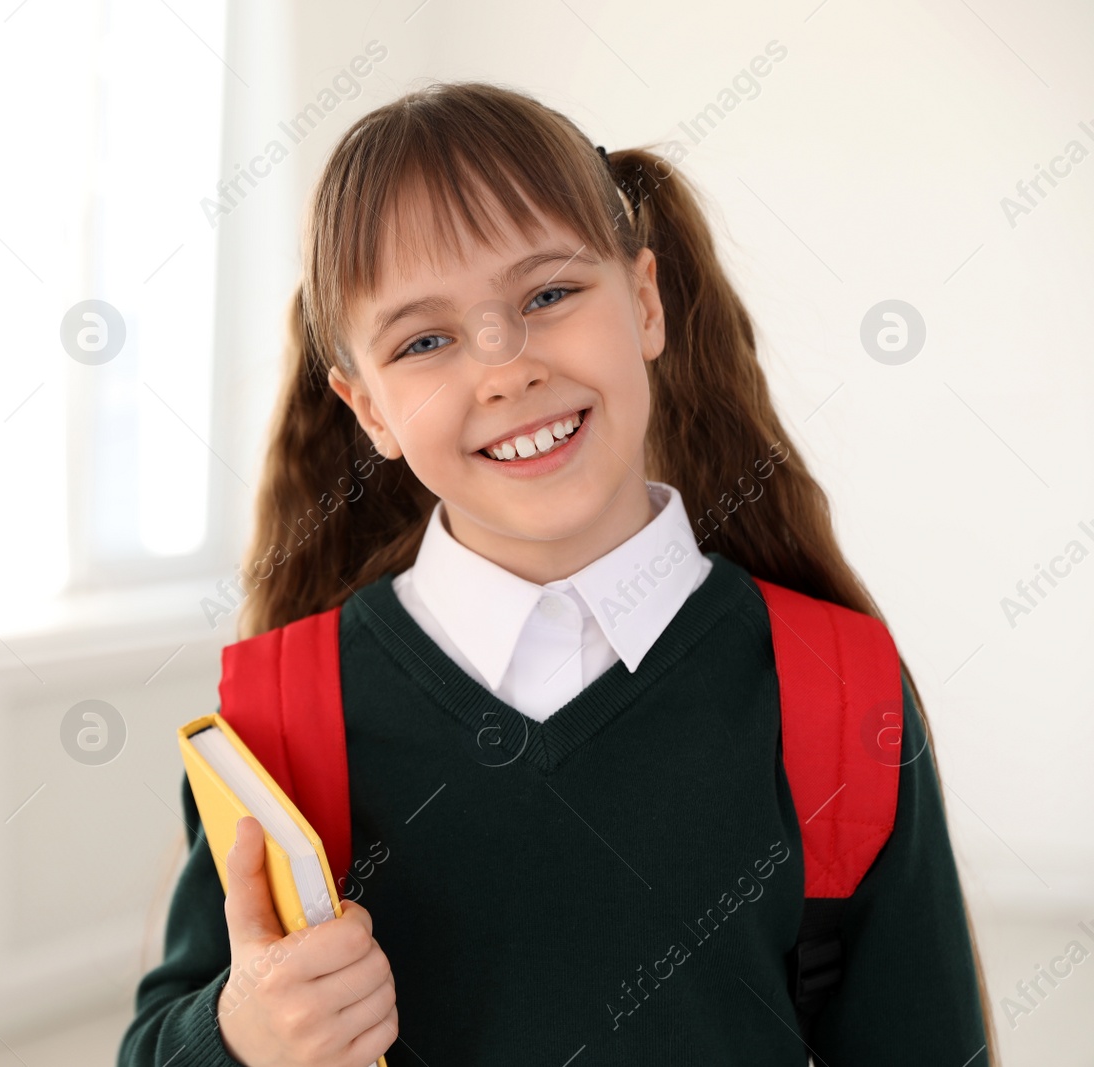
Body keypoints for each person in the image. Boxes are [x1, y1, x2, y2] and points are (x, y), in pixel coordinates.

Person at [116, 81, 994, 1066]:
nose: (504, 367)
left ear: (647, 300)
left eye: (547, 295)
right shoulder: (282, 717)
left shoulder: (836, 688)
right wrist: (241, 1033)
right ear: (368, 409)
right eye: (426, 340)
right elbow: (156, 1044)